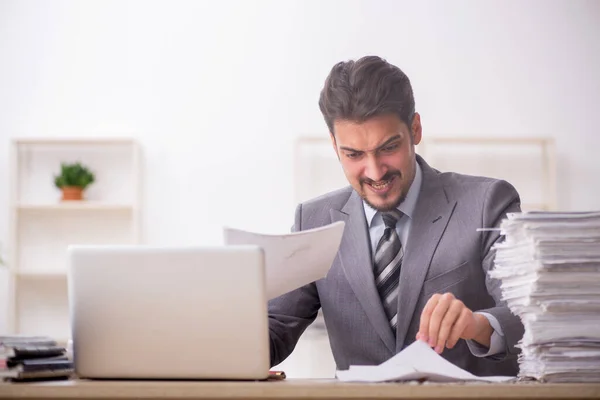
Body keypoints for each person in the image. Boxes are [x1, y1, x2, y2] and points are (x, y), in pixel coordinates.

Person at [268, 55, 524, 377]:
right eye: (354, 154)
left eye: (388, 148)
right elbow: (275, 327)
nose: (375, 172)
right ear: (335, 146)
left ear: (415, 129)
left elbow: (530, 315)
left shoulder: (487, 204)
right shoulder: (314, 220)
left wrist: (478, 325)